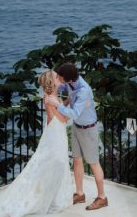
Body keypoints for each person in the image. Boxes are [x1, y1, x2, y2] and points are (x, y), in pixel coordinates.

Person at [0, 69, 74, 216]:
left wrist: (69, 100)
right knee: (56, 162)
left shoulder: (54, 96)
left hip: (57, 132)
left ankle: (53, 195)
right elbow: (62, 118)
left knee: (57, 163)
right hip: (55, 133)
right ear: (52, 81)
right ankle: (47, 197)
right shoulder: (49, 98)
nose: (59, 78)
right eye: (57, 76)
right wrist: (71, 110)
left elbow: (60, 112)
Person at [45, 62, 108, 211]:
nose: (59, 80)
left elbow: (74, 114)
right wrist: (58, 97)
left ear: (69, 79)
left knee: (94, 163)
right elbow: (69, 98)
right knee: (77, 160)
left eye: (60, 78)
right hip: (77, 127)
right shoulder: (71, 83)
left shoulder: (83, 90)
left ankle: (102, 197)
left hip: (88, 129)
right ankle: (80, 194)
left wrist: (57, 104)